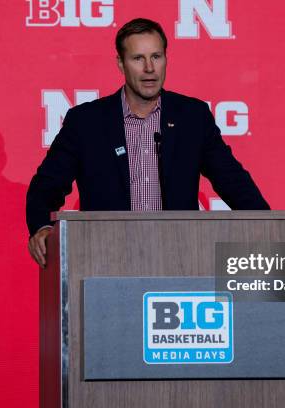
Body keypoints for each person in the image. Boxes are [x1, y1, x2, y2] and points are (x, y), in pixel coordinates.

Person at [27, 18, 270, 267]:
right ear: (121, 64)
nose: (149, 68)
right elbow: (47, 185)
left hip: (179, 260)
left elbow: (232, 180)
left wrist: (272, 229)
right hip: (106, 260)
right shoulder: (86, 122)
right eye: (138, 58)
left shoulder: (192, 117)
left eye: (156, 56)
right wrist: (42, 227)